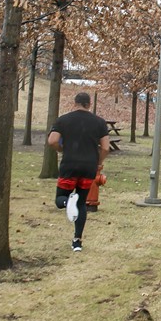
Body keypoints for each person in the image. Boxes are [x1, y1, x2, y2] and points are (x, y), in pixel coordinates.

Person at [47, 92, 110, 252]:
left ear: (74, 103)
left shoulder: (63, 120)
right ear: (89, 104)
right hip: (89, 167)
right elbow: (105, 147)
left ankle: (68, 203)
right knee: (82, 203)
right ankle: (77, 241)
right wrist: (98, 162)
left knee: (60, 199)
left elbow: (52, 140)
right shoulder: (100, 123)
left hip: (70, 165)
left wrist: (61, 149)